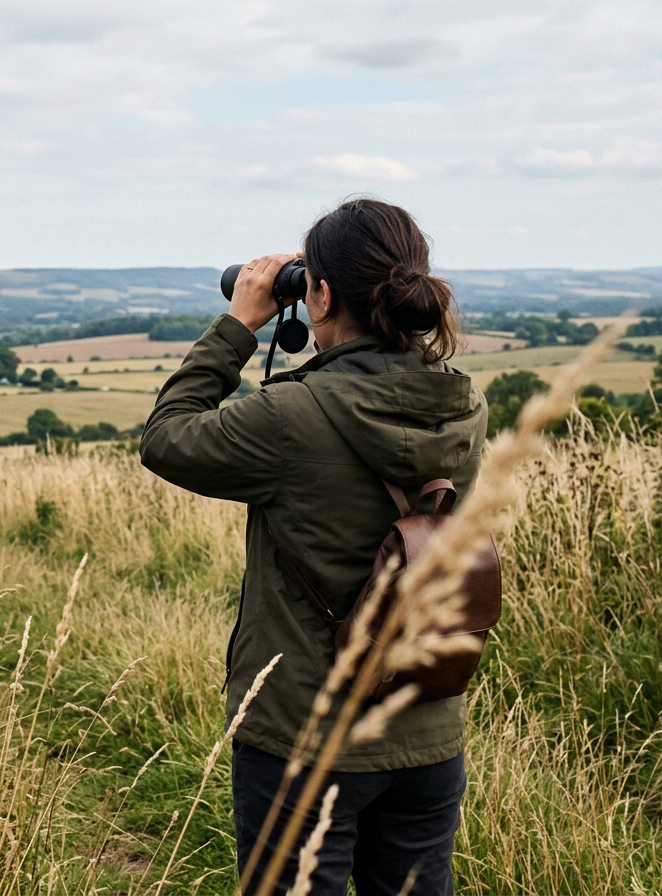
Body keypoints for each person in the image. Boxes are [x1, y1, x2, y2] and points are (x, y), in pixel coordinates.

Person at [139, 198, 487, 895]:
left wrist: (239, 324)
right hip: (424, 731)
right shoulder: (463, 404)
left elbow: (166, 437)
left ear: (318, 293)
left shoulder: (291, 416)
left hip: (304, 737)